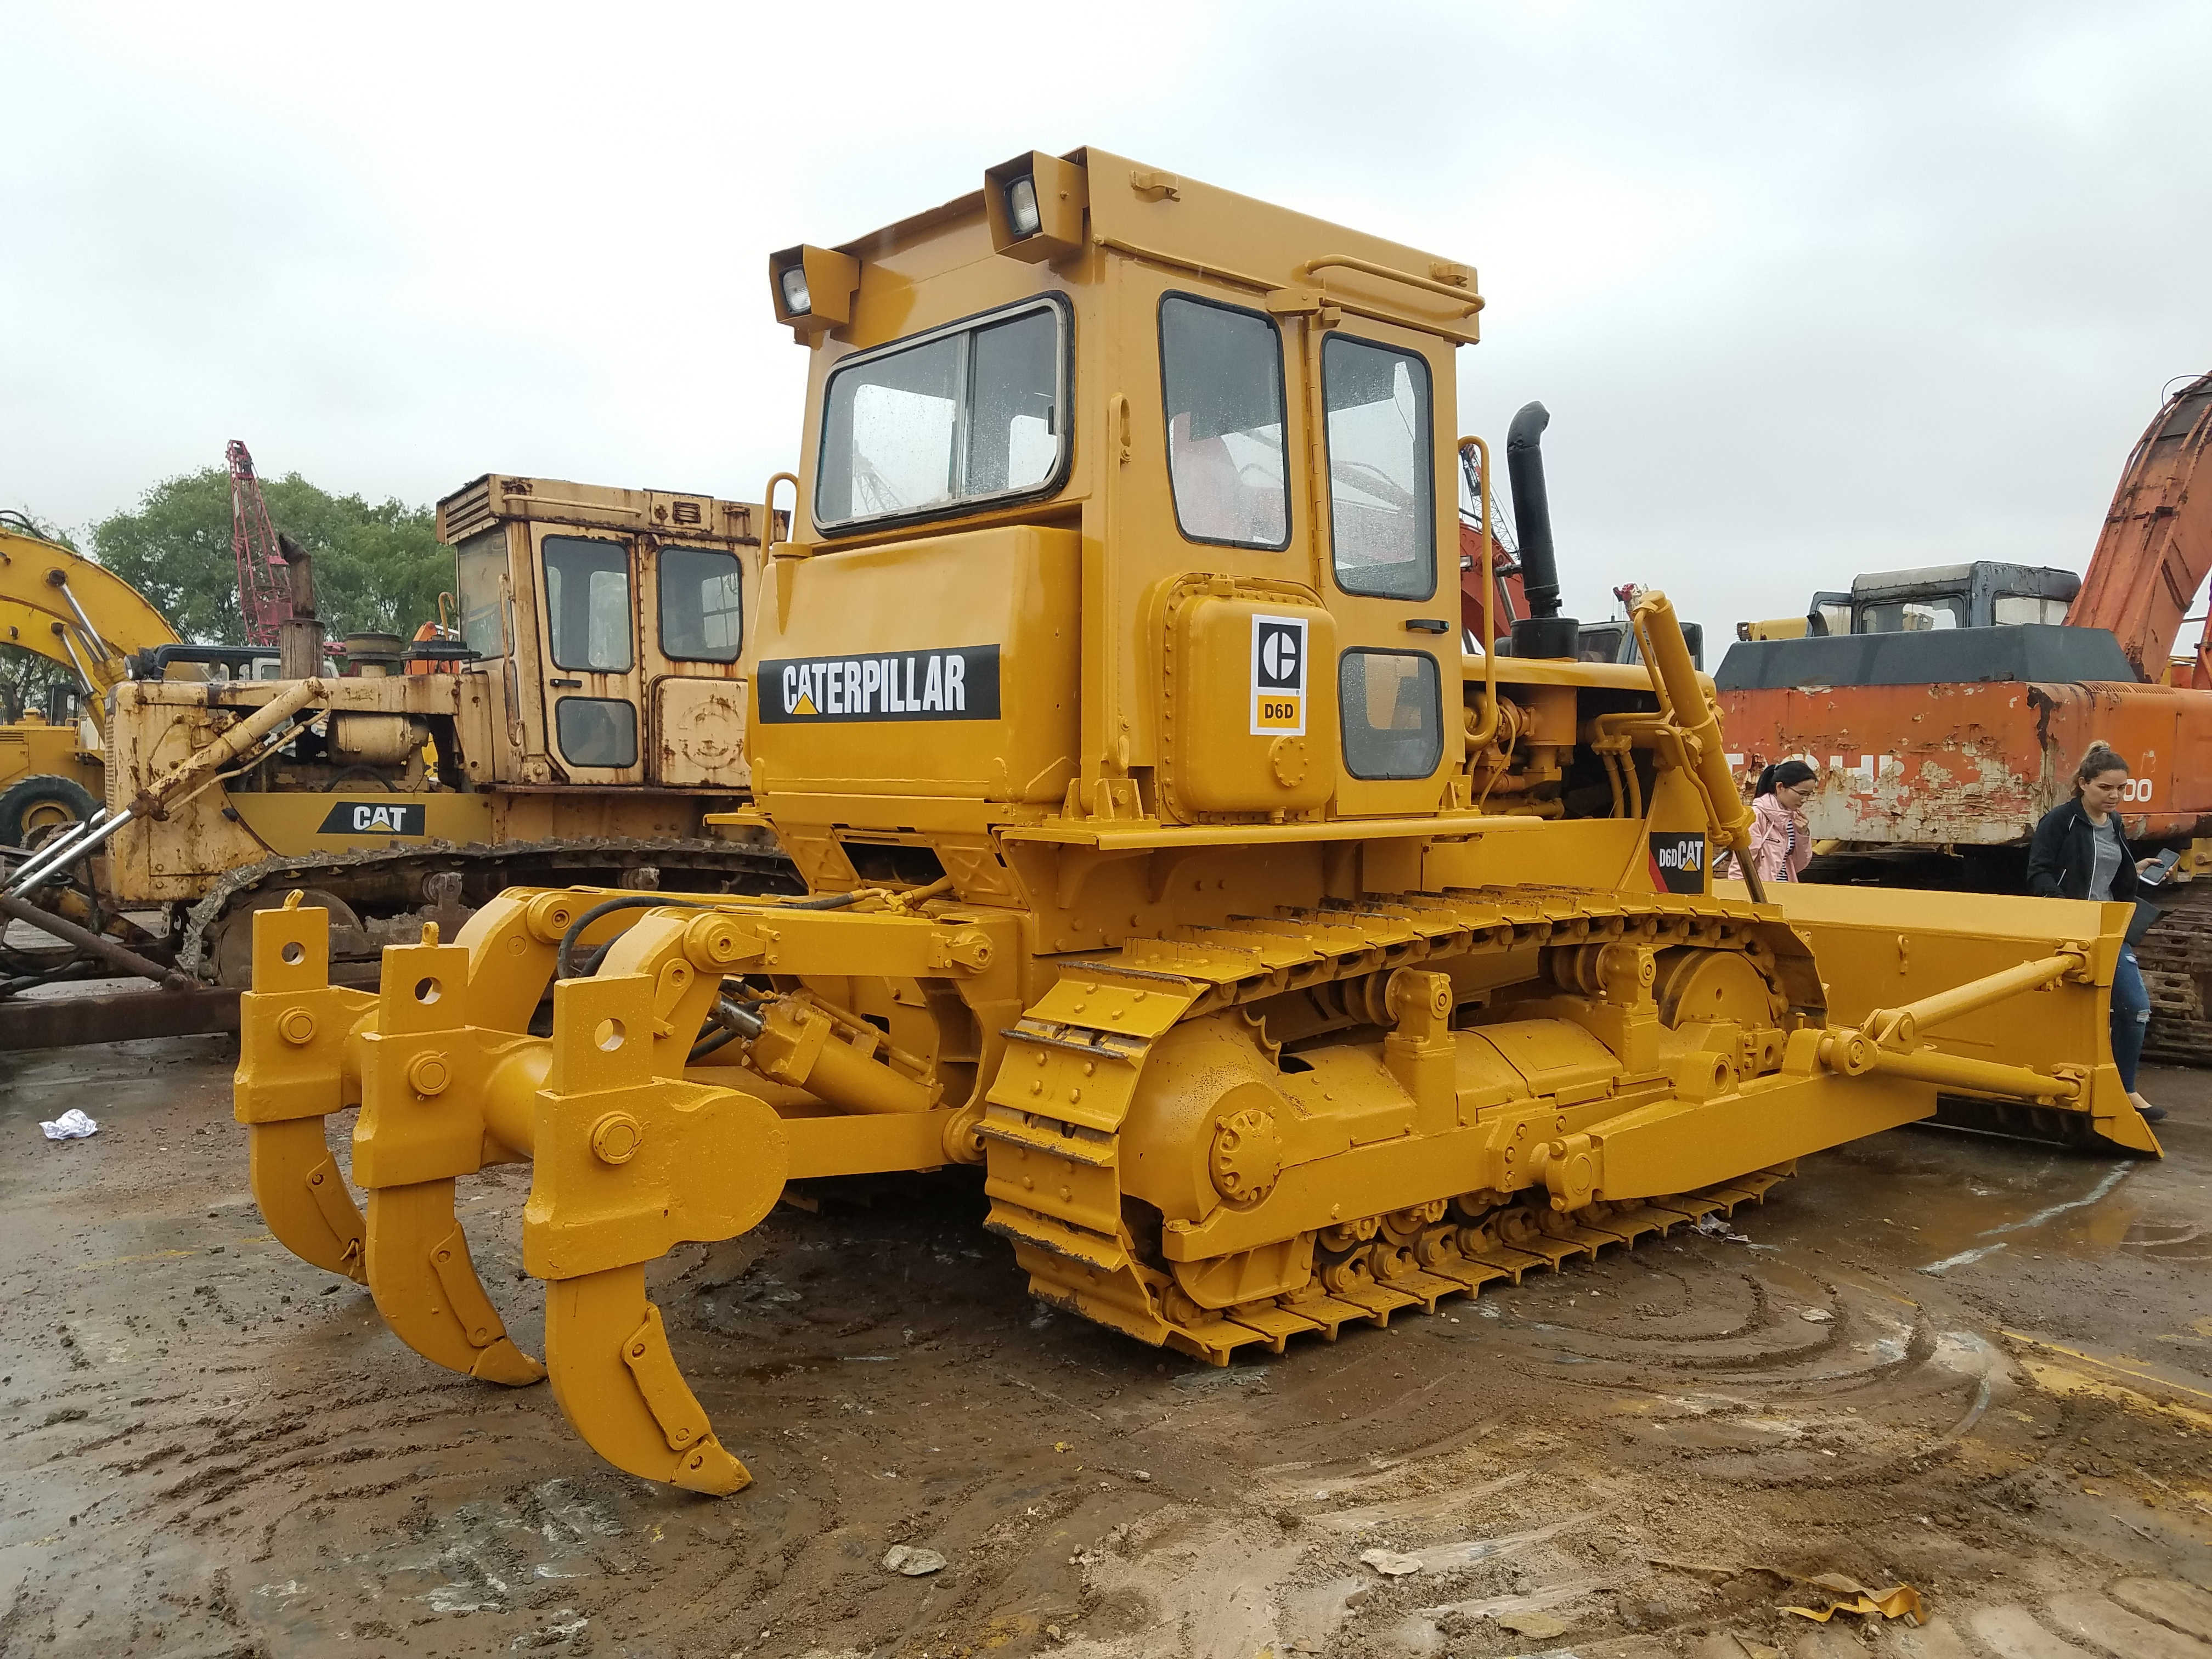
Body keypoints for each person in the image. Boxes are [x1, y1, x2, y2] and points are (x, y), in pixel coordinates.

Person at [2027, 741, 2166, 1122]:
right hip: (2068, 929)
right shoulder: (2059, 821)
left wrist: (2134, 870)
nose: (2115, 796)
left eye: (2121, 788)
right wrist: (2062, 906)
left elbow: (2103, 871)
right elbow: (2037, 871)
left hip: (2108, 929)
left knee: (2135, 1008)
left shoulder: (2115, 823)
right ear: (2084, 784)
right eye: (2106, 787)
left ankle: (2125, 1087)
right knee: (2065, 1014)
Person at [1719, 759, 1818, 885]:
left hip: (1787, 891)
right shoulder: (1757, 816)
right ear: (1780, 787)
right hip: (1764, 894)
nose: (1804, 800)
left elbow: (1799, 865)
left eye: (1809, 795)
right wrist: (1739, 893)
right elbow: (1742, 864)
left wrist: (1803, 834)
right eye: (1801, 794)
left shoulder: (1793, 819)